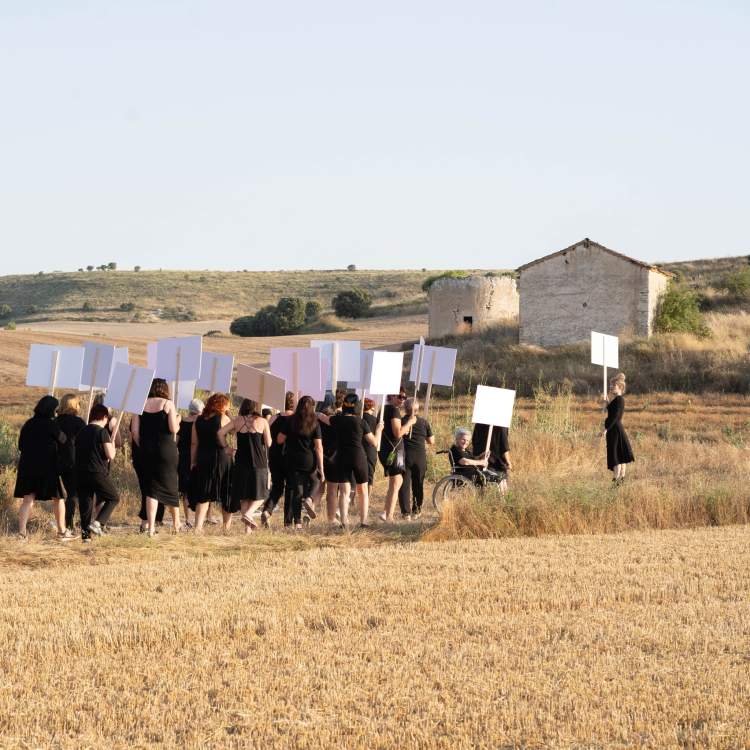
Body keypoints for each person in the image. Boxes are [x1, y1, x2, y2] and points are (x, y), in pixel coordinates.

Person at [319, 393, 382, 528]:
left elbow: (324, 418)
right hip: (358, 457)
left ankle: (344, 521)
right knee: (363, 490)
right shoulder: (361, 422)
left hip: (342, 457)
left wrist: (315, 413)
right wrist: (379, 429)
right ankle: (364, 521)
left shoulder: (337, 420)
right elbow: (375, 442)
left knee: (343, 491)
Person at [14, 395, 71, 541]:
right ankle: (62, 531)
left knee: (28, 499)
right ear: (52, 409)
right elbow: (64, 440)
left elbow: (21, 446)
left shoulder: (28, 424)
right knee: (58, 499)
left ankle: (22, 534)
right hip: (48, 467)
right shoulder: (51, 425)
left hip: (28, 466)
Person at [131, 379, 181, 537]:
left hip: (147, 450)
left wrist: (142, 445)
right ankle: (176, 524)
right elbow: (173, 428)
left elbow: (134, 432)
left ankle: (151, 528)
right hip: (166, 450)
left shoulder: (139, 405)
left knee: (151, 490)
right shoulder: (168, 404)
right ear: (165, 389)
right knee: (171, 486)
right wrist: (178, 420)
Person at [218, 399, 271, 533]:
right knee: (262, 494)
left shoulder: (237, 421)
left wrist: (226, 447)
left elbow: (220, 433)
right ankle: (249, 514)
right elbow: (269, 443)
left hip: (241, 462)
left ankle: (247, 530)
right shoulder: (262, 421)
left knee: (245, 496)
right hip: (259, 462)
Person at [277, 395, 324, 529]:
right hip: (309, 459)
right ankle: (309, 498)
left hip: (292, 459)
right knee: (315, 480)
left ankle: (297, 522)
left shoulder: (291, 420)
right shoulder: (315, 422)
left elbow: (280, 439)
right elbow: (319, 447)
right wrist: (321, 468)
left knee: (297, 491)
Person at [75, 404, 119, 541]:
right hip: (97, 471)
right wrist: (113, 448)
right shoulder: (102, 432)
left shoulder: (81, 431)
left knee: (86, 504)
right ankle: (98, 522)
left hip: (80, 472)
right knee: (113, 497)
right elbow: (110, 455)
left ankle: (85, 537)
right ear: (104, 417)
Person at [189, 393, 232, 533]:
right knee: (225, 491)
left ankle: (198, 527)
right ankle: (226, 527)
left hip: (203, 457)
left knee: (204, 494)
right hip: (221, 457)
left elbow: (194, 443)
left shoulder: (198, 420)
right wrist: (229, 415)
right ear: (221, 405)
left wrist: (193, 461)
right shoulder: (224, 418)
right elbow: (235, 430)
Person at [377, 389, 417, 523]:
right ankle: (389, 516)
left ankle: (386, 512)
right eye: (400, 396)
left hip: (387, 449)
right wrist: (410, 423)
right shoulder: (393, 410)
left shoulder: (384, 409)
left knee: (396, 481)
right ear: (391, 396)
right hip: (392, 451)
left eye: (404, 397)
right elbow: (397, 433)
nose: (403, 399)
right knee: (396, 482)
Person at [261, 392, 295, 527]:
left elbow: (265, 434)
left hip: (275, 455)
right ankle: (288, 521)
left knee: (277, 487)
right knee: (291, 489)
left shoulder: (274, 418)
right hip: (291, 456)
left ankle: (267, 510)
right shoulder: (296, 419)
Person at [55, 393, 87, 534]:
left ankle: (67, 523)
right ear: (74, 405)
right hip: (74, 461)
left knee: (66, 494)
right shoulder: (78, 422)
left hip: (58, 462)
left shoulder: (55, 421)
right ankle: (69, 524)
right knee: (74, 494)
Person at [398, 398, 435, 519]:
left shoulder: (401, 421)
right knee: (418, 484)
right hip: (419, 456)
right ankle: (417, 510)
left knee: (403, 484)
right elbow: (431, 441)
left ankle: (405, 513)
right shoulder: (424, 422)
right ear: (418, 409)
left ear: (405, 409)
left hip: (403, 455)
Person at [602, 372, 634, 483]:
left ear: (620, 387)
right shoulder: (617, 400)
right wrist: (607, 403)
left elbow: (614, 416)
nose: (611, 387)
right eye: (610, 385)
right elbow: (612, 412)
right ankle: (620, 481)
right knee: (620, 455)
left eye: (613, 386)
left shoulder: (619, 400)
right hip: (615, 429)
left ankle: (616, 481)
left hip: (614, 430)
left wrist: (606, 429)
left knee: (616, 456)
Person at [177, 399, 203, 528]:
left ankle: (188, 519)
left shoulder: (181, 422)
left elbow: (176, 440)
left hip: (183, 458)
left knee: (185, 490)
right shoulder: (201, 422)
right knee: (199, 487)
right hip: (197, 458)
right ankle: (200, 519)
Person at [471, 422, 511, 495]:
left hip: (481, 458)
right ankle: (498, 501)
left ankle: (483, 500)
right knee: (499, 484)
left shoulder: (479, 423)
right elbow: (504, 446)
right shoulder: (501, 425)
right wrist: (508, 461)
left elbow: (474, 441)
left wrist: (477, 456)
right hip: (496, 461)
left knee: (482, 483)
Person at [361, 398, 379, 492]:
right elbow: (377, 439)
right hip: (370, 449)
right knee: (369, 477)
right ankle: (367, 499)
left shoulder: (358, 418)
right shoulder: (375, 420)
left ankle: (351, 501)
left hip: (358, 449)